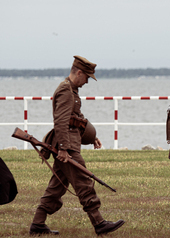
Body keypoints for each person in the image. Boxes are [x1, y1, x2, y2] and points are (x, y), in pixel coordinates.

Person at [29, 56, 125, 235]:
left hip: (70, 143)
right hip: (68, 146)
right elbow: (61, 121)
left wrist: (91, 136)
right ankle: (99, 223)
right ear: (79, 72)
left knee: (56, 187)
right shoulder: (66, 91)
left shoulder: (72, 90)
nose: (87, 81)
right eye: (87, 77)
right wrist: (64, 148)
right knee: (83, 182)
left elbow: (77, 117)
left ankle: (38, 224)